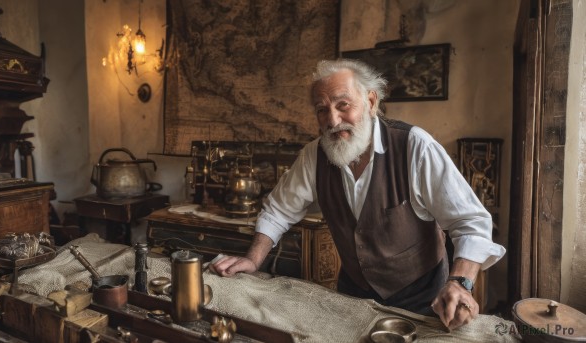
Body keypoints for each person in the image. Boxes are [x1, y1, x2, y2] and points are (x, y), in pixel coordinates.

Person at [211, 59, 506, 330]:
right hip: (354, 298)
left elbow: (470, 221)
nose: (334, 120)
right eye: (322, 109)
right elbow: (278, 210)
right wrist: (253, 259)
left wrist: (460, 283)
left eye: (343, 104)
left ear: (371, 101)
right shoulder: (314, 155)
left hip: (425, 301)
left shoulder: (415, 146)